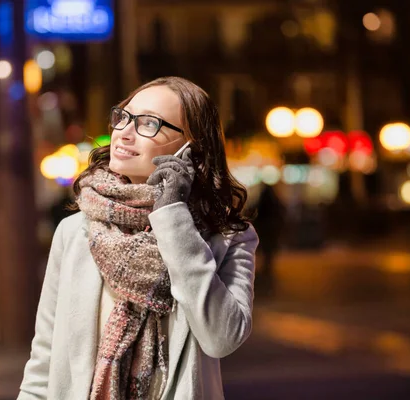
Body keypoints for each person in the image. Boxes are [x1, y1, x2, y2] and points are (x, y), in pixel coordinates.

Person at [18, 77, 259, 400]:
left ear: (190, 147)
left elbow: (221, 337)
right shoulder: (76, 232)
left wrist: (173, 217)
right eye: (124, 117)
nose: (125, 132)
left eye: (149, 123)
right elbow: (44, 360)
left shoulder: (228, 239)